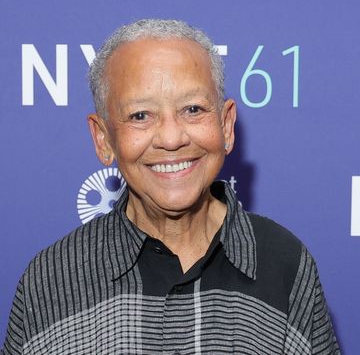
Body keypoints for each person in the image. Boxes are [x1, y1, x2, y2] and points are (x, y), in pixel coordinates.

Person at [1, 19, 340, 354]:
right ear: (103, 139)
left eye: (192, 109)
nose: (171, 138)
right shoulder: (50, 281)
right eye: (140, 116)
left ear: (226, 125)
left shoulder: (285, 263)